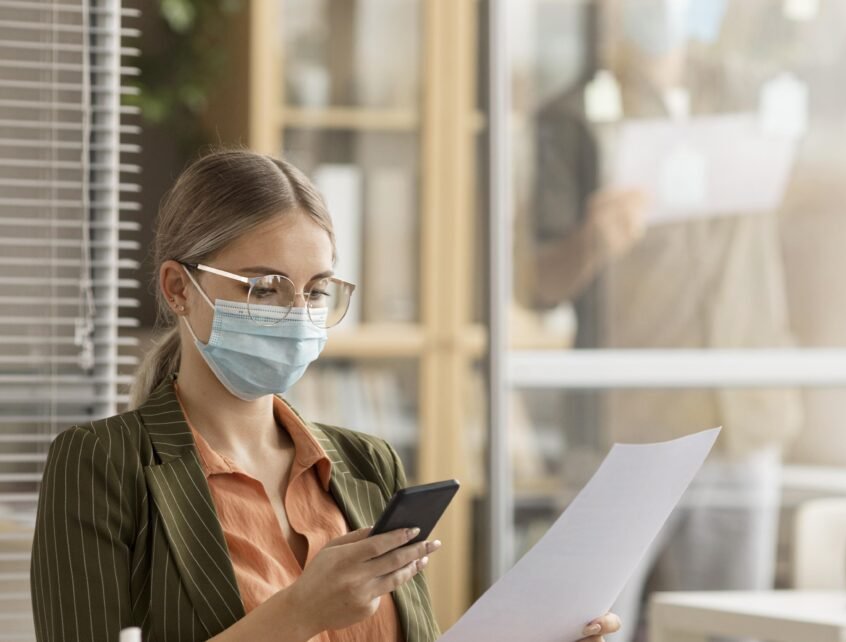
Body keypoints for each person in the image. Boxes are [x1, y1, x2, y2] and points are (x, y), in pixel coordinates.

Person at [30, 150, 620, 642]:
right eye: (265, 288)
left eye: (315, 291)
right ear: (179, 289)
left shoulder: (368, 464)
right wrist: (300, 613)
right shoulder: (101, 464)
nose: (296, 314)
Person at [524, 1, 806, 640]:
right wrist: (592, 240)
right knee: (592, 625)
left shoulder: (747, 93)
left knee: (734, 628)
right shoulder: (572, 118)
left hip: (745, 413)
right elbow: (536, 285)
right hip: (629, 425)